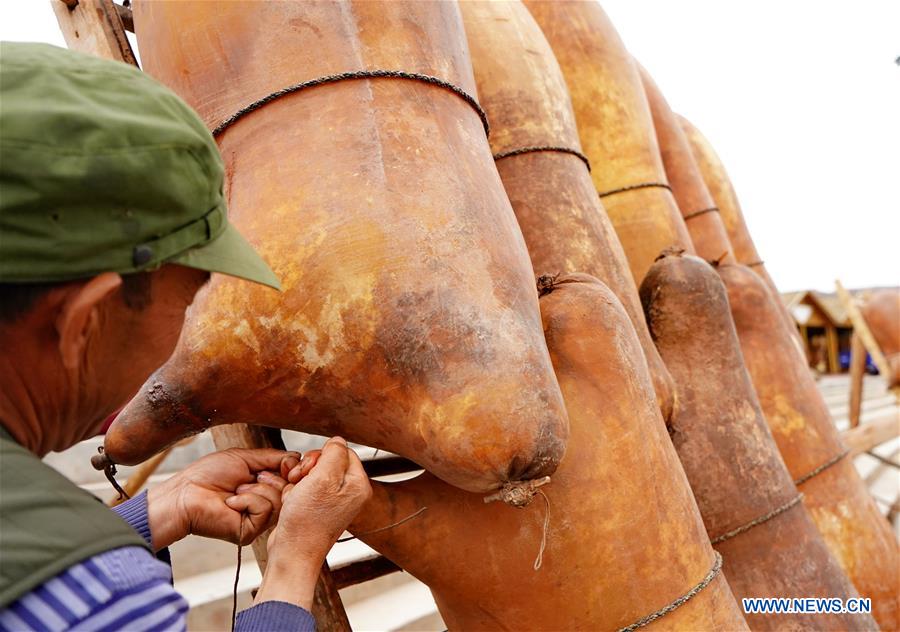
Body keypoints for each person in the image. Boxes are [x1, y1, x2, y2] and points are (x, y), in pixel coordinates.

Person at [0, 42, 372, 631]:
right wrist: (292, 565)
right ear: (81, 322)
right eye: (187, 301)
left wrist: (158, 511)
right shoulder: (100, 597)